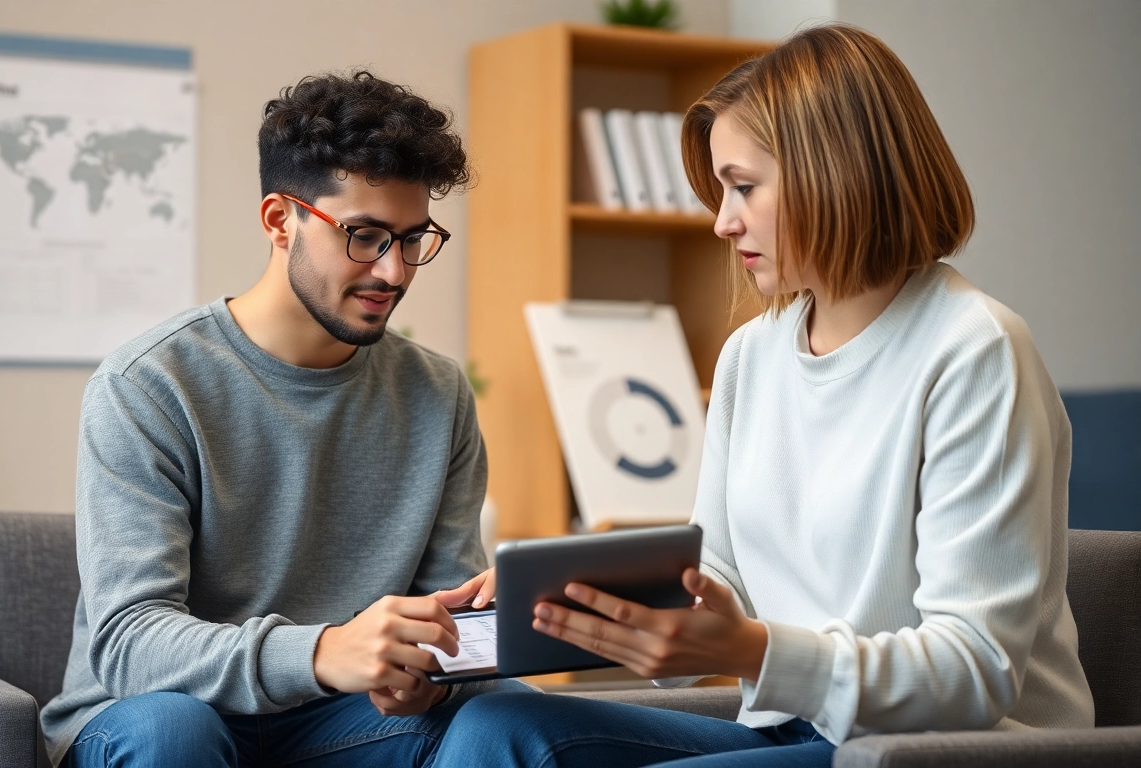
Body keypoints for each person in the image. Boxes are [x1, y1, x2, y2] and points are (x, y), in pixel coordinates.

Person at [429, 23, 1094, 768]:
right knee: (496, 730)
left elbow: (975, 671)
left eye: (743, 186)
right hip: (790, 729)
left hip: (944, 748)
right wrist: (579, 602)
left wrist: (751, 646)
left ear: (836, 174)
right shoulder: (752, 355)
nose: (722, 221)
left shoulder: (975, 351)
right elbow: (716, 580)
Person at [39, 70, 524, 768]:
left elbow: (446, 629)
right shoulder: (148, 384)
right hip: (157, 718)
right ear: (278, 220)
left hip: (340, 725)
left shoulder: (437, 395)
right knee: (175, 734)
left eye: (413, 238)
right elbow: (129, 643)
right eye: (364, 236)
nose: (394, 272)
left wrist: (441, 670)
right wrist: (324, 652)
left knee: (501, 722)